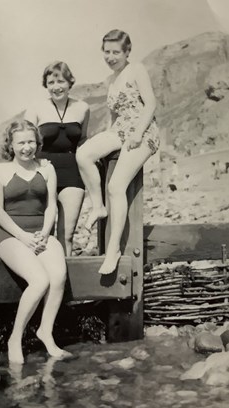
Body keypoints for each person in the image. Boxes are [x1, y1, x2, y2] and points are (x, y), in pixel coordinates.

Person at [76, 29, 160, 275]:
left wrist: (137, 133)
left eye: (116, 52)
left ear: (127, 52)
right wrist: (105, 140)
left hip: (143, 132)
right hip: (120, 130)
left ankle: (113, 250)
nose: (110, 57)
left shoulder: (137, 70)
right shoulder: (110, 80)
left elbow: (151, 104)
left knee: (115, 186)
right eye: (107, 51)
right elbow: (113, 116)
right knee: (83, 154)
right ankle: (98, 207)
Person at [0, 119, 70, 364]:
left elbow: (51, 206)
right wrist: (23, 237)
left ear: (38, 142)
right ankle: (16, 338)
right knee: (39, 280)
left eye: (31, 141)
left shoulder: (47, 168)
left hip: (41, 232)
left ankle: (46, 331)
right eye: (21, 142)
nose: (27, 147)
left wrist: (45, 233)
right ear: (11, 145)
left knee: (57, 276)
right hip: (11, 236)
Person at [25, 61, 90, 256]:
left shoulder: (83, 108)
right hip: (42, 172)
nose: (56, 87)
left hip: (72, 173)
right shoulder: (36, 108)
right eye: (51, 82)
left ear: (70, 82)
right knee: (41, 233)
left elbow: (83, 140)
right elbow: (26, 142)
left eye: (60, 81)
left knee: (66, 234)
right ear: (46, 85)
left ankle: (63, 283)